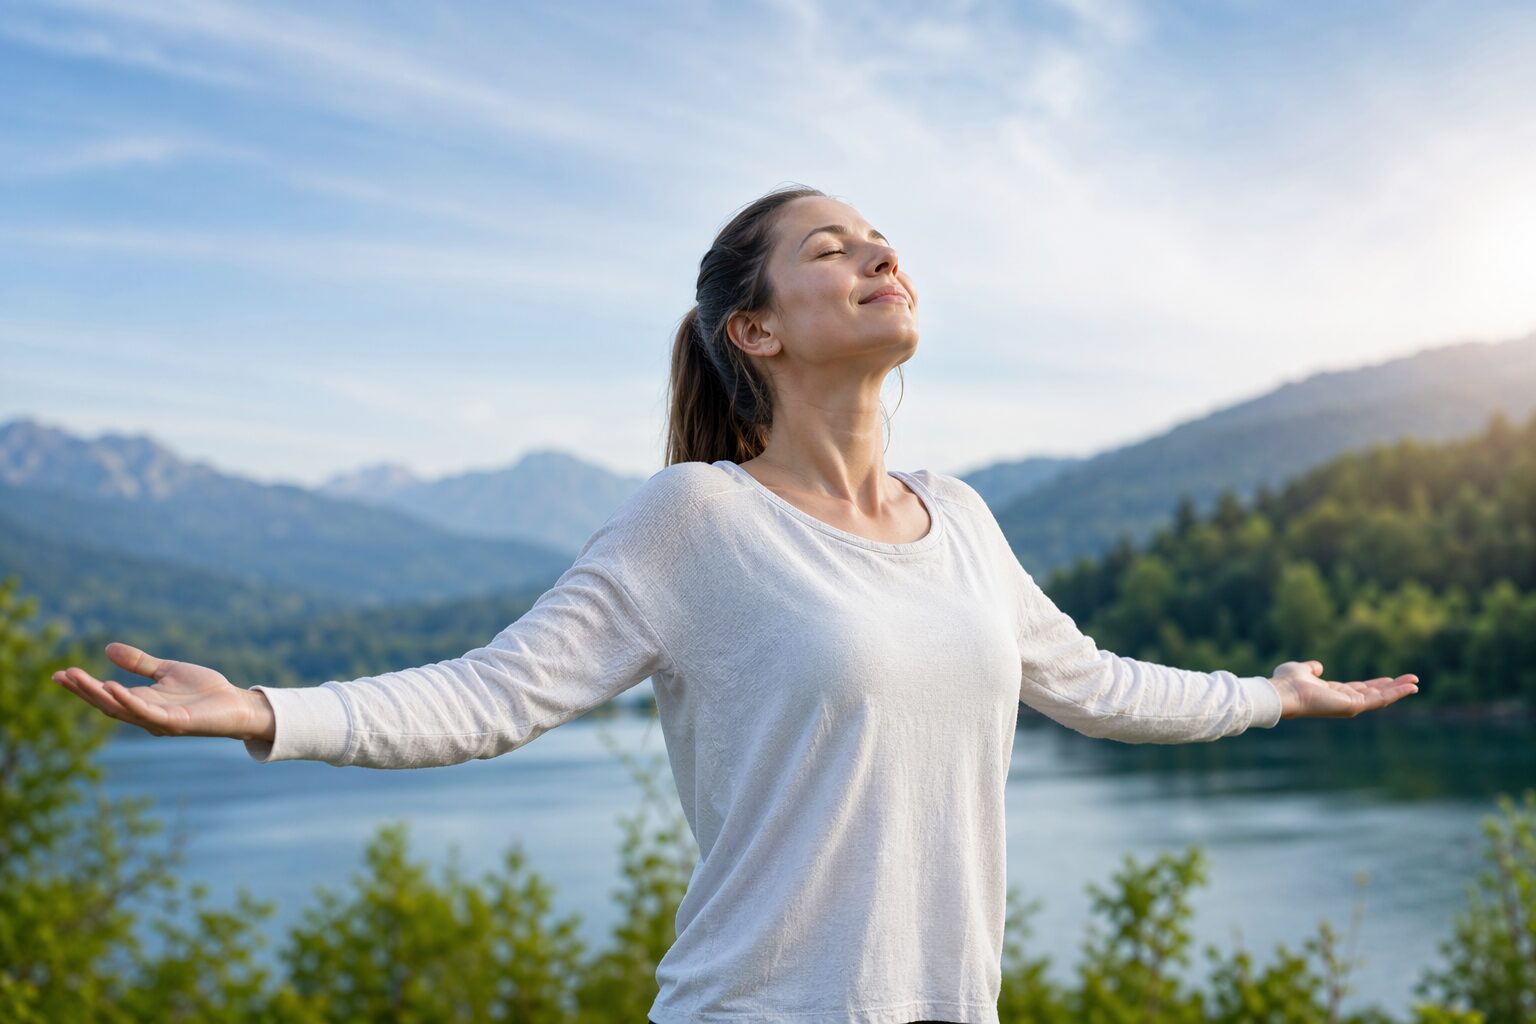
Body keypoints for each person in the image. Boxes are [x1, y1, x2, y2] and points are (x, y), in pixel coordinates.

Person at [51, 184, 1421, 1024]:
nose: (880, 257)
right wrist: (262, 710)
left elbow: (1098, 684)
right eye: (833, 249)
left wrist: (1272, 695)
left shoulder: (967, 523)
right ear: (754, 330)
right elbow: (490, 693)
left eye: (885, 240)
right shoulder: (696, 518)